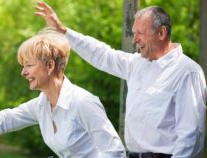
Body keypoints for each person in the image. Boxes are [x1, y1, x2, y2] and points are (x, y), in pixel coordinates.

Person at [35, 2, 207, 158]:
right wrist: (63, 31)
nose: (134, 39)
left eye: (140, 33)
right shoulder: (137, 63)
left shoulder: (186, 71)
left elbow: (191, 135)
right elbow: (101, 54)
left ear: (161, 33)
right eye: (134, 33)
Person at [0, 28, 126, 157]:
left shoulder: (83, 102)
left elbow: (115, 152)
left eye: (29, 65)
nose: (23, 72)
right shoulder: (41, 105)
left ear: (50, 66)